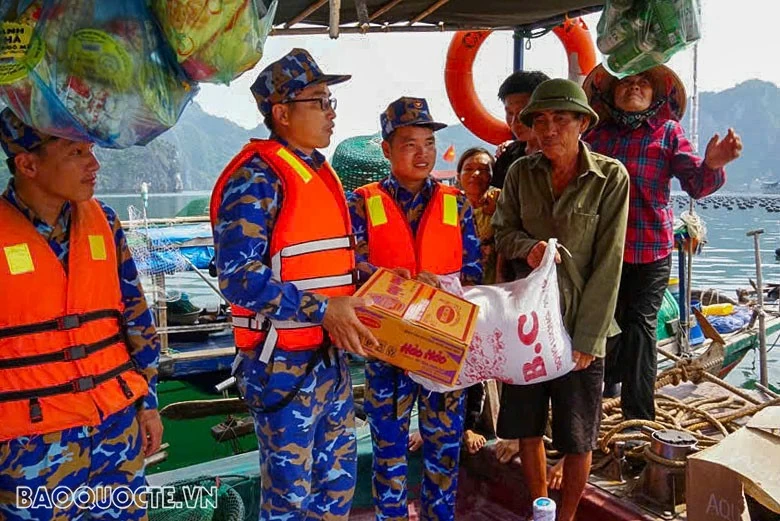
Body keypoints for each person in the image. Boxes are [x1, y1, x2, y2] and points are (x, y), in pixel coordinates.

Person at [210, 48, 375, 520]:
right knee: (289, 498)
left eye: (331, 101)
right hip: (282, 363)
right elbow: (239, 278)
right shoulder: (256, 179)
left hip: (329, 361)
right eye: (319, 101)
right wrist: (323, 310)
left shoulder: (318, 172)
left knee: (337, 486)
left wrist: (373, 277)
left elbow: (320, 262)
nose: (331, 112)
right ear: (281, 113)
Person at [0, 108, 162, 520]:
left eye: (90, 149)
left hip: (115, 432)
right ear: (28, 164)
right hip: (28, 447)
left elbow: (137, 321)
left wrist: (148, 402)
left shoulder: (104, 222)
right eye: (76, 152)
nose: (94, 164)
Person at [492, 79, 630, 521]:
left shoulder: (610, 178)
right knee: (526, 427)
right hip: (527, 328)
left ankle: (566, 516)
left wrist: (588, 339)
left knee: (578, 436)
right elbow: (502, 232)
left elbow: (609, 263)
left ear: (583, 123)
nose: (549, 129)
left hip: (580, 329)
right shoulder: (519, 173)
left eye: (561, 118)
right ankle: (541, 512)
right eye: (540, 120)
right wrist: (526, 246)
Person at [348, 96, 482, 521]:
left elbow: (474, 271)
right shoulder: (362, 202)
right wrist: (398, 282)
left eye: (428, 142)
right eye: (410, 144)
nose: (422, 153)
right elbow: (349, 267)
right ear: (386, 149)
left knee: (444, 447)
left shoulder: (455, 202)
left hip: (441, 346)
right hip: (383, 347)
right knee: (387, 447)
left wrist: (439, 286)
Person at [583, 64, 743, 421]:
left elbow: (697, 185)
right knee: (601, 325)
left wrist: (713, 164)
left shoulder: (668, 133)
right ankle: (595, 403)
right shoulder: (595, 137)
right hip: (603, 251)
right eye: (625, 82)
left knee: (640, 326)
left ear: (656, 96)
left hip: (650, 250)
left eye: (642, 83)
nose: (634, 87)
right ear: (610, 95)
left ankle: (638, 417)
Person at [491, 70, 551, 189]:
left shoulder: (568, 156)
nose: (514, 121)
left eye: (522, 112)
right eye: (509, 113)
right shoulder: (507, 156)